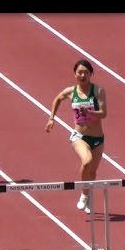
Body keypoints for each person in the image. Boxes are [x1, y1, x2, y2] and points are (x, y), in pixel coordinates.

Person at [45, 59, 107, 214]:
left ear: (91, 74)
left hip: (98, 139)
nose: (82, 75)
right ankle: (84, 195)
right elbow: (58, 98)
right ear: (75, 74)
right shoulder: (70, 92)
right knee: (87, 161)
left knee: (92, 173)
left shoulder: (98, 91)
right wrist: (51, 118)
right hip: (79, 136)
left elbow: (104, 113)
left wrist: (90, 112)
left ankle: (88, 194)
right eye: (79, 72)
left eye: (86, 72)